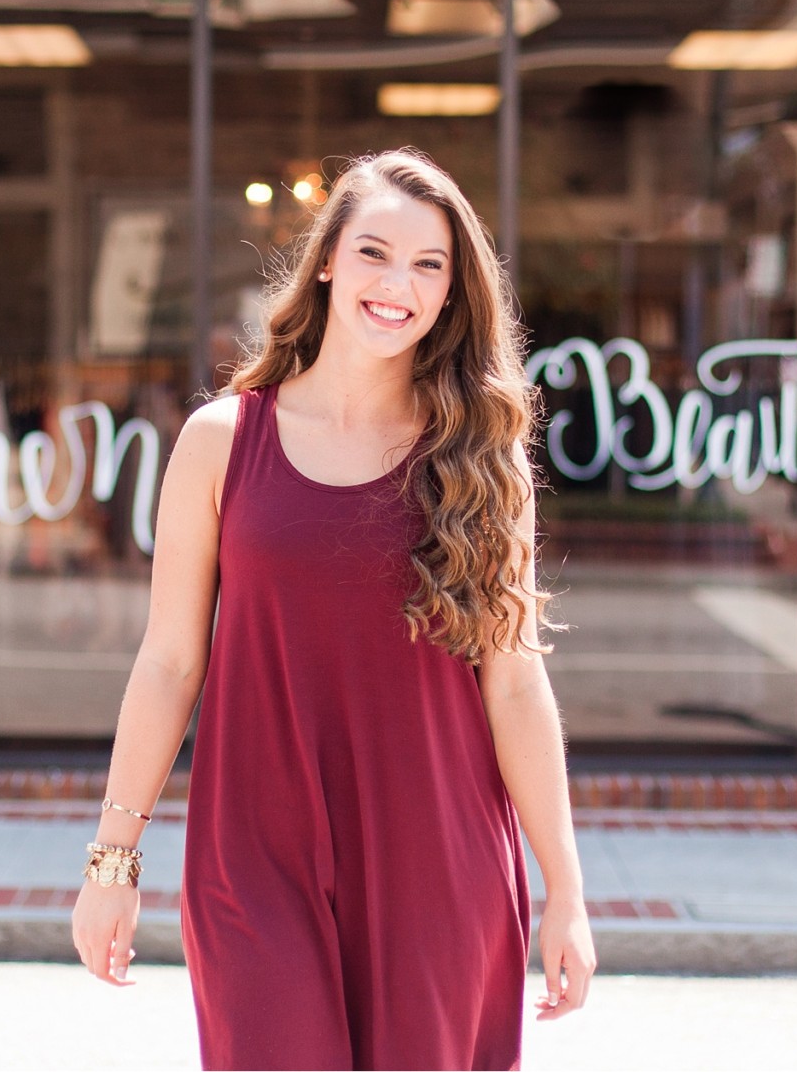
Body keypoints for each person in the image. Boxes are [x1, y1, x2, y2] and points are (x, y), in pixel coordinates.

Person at [70, 149, 596, 1070]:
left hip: (439, 859)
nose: (399, 284)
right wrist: (112, 863)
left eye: (429, 265)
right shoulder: (222, 441)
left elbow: (515, 687)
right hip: (253, 854)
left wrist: (566, 890)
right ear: (325, 261)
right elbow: (168, 662)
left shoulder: (479, 457)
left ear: (451, 292)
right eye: (375, 253)